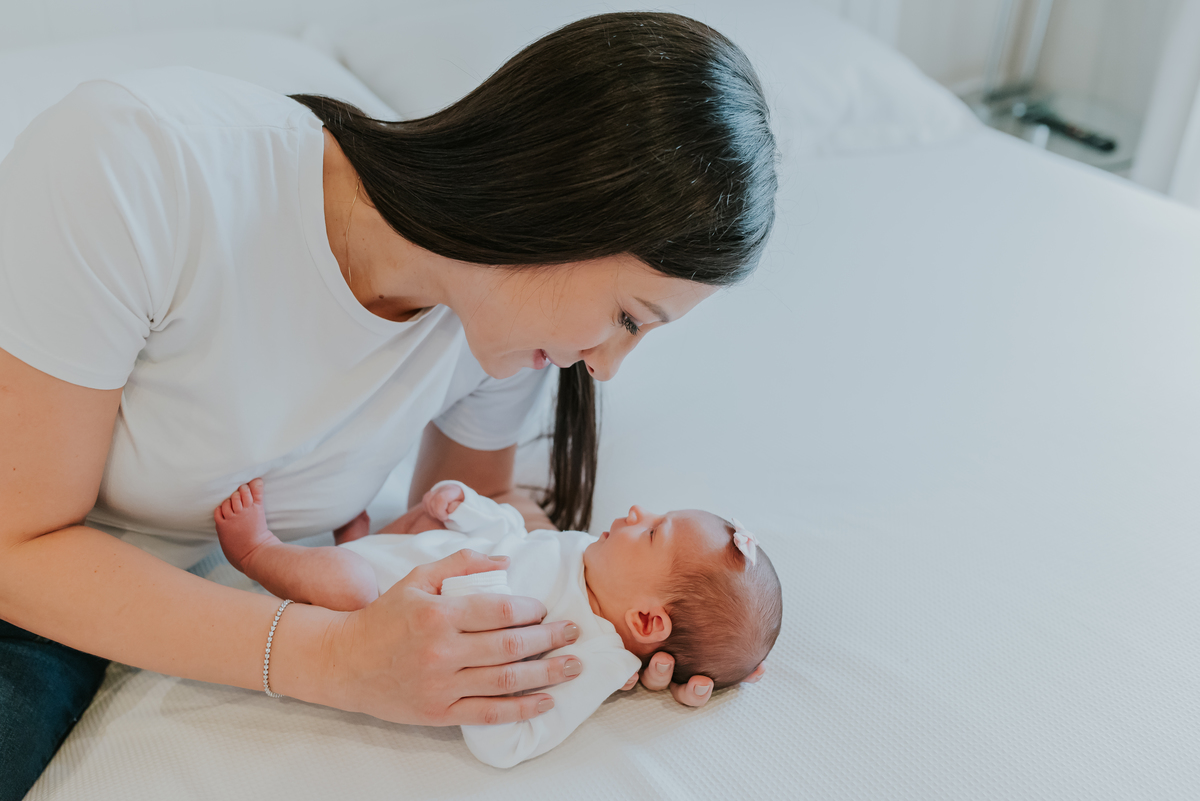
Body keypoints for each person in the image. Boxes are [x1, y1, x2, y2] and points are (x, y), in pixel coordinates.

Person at [0, 10, 777, 798]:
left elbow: (481, 526)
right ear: (561, 203)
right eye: (628, 318)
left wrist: (619, 626)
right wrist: (332, 659)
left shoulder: (504, 337)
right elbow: (14, 547)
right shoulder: (141, 161)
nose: (605, 367)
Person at [213, 478, 784, 768]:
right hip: (412, 561)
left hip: (378, 610)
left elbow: (507, 743)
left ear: (645, 619)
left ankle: (258, 553)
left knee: (347, 583)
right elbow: (516, 539)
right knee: (417, 530)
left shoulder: (593, 657)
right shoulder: (591, 556)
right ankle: (362, 540)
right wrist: (470, 508)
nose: (639, 512)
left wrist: (480, 602)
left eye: (653, 532)